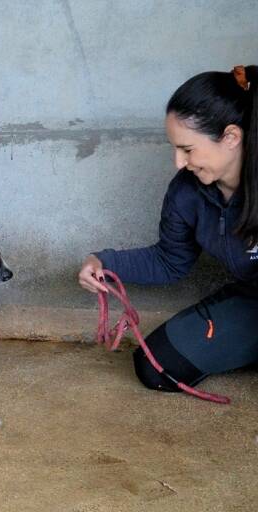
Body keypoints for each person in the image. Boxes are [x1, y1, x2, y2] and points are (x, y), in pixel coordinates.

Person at [78, 65, 258, 393]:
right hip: (252, 299)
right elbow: (168, 260)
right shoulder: (186, 191)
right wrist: (103, 263)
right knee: (156, 368)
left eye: (187, 149)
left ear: (231, 137)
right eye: (175, 149)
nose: (178, 162)